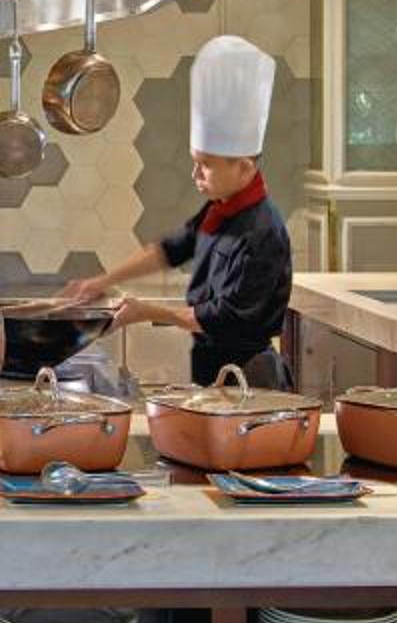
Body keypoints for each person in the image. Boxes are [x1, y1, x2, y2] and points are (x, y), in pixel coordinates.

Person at [61, 34, 293, 387]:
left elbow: (224, 318)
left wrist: (146, 312)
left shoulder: (264, 234)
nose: (195, 174)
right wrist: (102, 281)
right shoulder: (221, 210)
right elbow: (169, 250)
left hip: (251, 379)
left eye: (206, 164)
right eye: (195, 161)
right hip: (215, 372)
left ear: (245, 168)